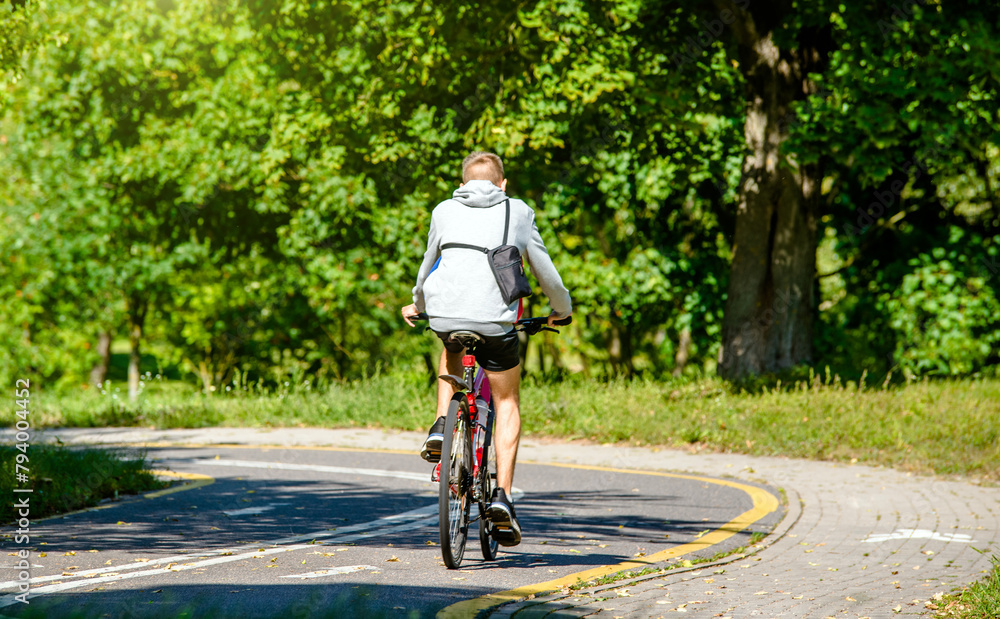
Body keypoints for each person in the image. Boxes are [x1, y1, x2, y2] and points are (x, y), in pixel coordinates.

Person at [400, 151, 572, 546]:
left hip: (446, 317)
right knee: (506, 400)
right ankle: (503, 498)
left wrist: (418, 305)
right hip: (495, 322)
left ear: (461, 184)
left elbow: (429, 266)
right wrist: (561, 310)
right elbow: (544, 270)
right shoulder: (520, 211)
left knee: (451, 345)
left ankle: (443, 425)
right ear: (503, 184)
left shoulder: (443, 209)